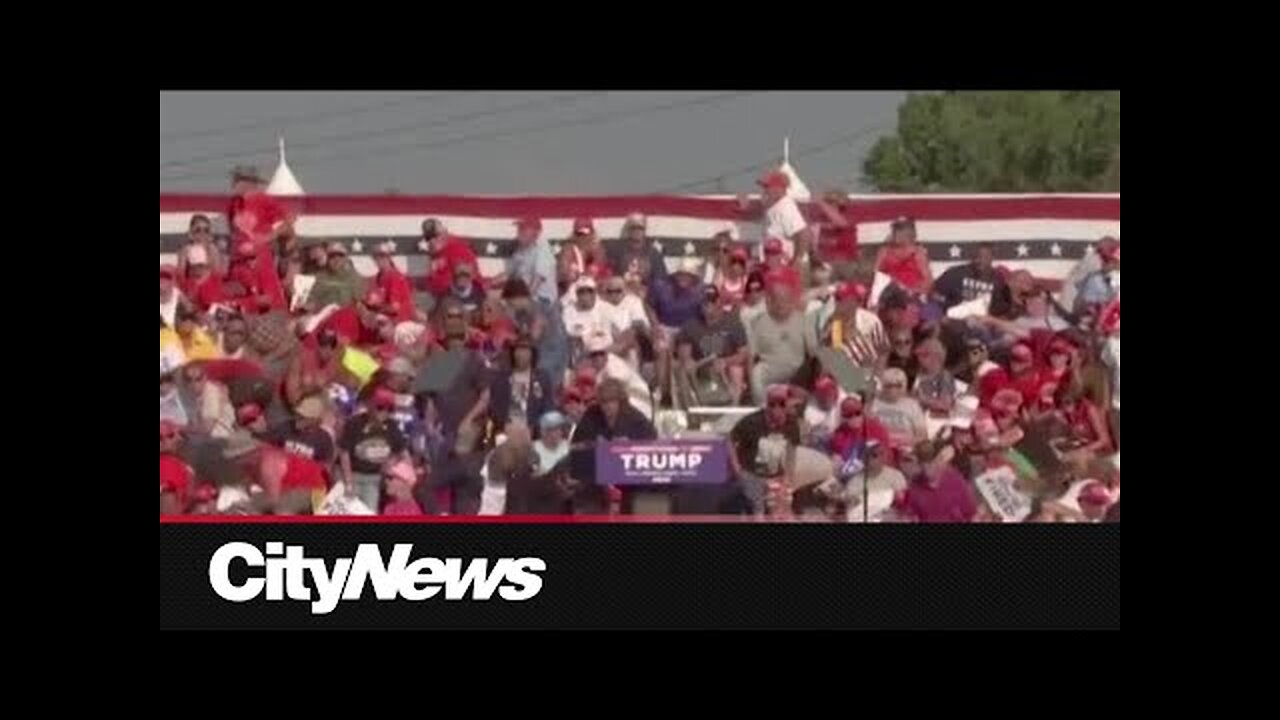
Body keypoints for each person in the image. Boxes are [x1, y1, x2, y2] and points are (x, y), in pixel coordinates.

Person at [568, 378, 659, 513]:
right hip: (596, 476)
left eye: (612, 401)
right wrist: (595, 445)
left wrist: (629, 446)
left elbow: (652, 445)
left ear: (621, 401)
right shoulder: (591, 414)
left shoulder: (635, 418)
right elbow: (576, 446)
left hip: (629, 479)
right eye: (604, 402)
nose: (607, 406)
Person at [729, 385, 802, 516]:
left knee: (781, 507)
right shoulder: (751, 422)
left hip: (775, 474)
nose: (778, 412)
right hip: (751, 473)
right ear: (769, 407)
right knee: (758, 508)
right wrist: (736, 467)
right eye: (773, 406)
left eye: (782, 406)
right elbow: (730, 440)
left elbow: (792, 452)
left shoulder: (792, 424)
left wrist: (788, 477)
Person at [339, 387, 409, 512]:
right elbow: (344, 453)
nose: (384, 413)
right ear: (371, 406)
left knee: (369, 511)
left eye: (389, 409)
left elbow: (402, 452)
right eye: (380, 408)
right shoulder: (354, 424)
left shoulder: (392, 427)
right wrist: (348, 483)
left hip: (374, 479)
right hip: (353, 475)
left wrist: (395, 465)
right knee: (347, 512)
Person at [676, 285, 750, 401]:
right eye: (705, 303)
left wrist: (726, 361)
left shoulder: (732, 321)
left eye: (712, 302)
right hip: (701, 365)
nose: (708, 306)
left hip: (724, 366)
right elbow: (684, 351)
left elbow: (744, 353)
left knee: (736, 370)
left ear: (719, 302)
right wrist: (687, 360)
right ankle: (690, 411)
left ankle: (733, 411)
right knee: (684, 368)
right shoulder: (691, 324)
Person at [747, 284, 818, 403]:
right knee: (756, 373)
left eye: (785, 300)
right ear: (770, 302)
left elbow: (813, 353)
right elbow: (751, 355)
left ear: (792, 302)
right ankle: (761, 407)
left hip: (797, 371)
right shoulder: (759, 322)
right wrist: (750, 379)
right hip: (770, 369)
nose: (780, 304)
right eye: (777, 299)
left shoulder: (804, 321)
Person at [503, 278, 568, 394]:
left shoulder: (539, 310)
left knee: (523, 366)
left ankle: (526, 405)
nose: (510, 306)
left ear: (518, 297)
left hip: (552, 355)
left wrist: (514, 337)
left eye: (510, 302)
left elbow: (533, 337)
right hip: (538, 353)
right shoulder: (521, 314)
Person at [737, 170, 814, 263]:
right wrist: (746, 208)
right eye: (763, 187)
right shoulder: (774, 206)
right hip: (777, 263)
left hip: (785, 264)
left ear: (779, 189)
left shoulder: (786, 207)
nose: (763, 191)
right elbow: (759, 216)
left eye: (767, 187)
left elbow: (803, 234)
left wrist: (797, 260)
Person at [897, 440, 978, 523]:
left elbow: (971, 514)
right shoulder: (913, 489)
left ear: (939, 460)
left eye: (930, 463)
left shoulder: (956, 480)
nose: (927, 469)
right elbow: (907, 516)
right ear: (919, 464)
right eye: (923, 464)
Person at [489, 334, 555, 432]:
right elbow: (494, 406)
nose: (521, 354)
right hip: (505, 431)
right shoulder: (502, 377)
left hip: (531, 432)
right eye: (518, 350)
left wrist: (534, 426)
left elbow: (547, 407)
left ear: (532, 353)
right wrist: (503, 425)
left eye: (525, 350)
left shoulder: (542, 378)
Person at [580, 332, 653, 419]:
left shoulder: (614, 369)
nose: (598, 358)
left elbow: (613, 396)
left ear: (606, 354)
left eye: (601, 353)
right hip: (628, 403)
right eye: (594, 355)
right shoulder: (599, 370)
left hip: (640, 403)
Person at [837, 440, 907, 523]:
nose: (882, 457)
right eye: (875, 455)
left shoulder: (895, 476)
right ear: (864, 458)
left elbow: (903, 503)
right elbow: (851, 508)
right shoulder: (855, 481)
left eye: (883, 453)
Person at [263, 394, 335, 464]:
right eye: (298, 413)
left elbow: (324, 467)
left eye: (303, 416)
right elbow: (267, 448)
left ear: (315, 420)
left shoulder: (324, 440)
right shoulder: (285, 427)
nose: (298, 417)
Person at [933, 242, 1006, 310]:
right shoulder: (956, 273)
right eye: (976, 256)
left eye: (985, 257)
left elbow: (1001, 307)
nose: (979, 260)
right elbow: (933, 293)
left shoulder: (998, 279)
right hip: (956, 318)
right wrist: (949, 304)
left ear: (992, 258)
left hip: (984, 320)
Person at [870, 367, 928, 451]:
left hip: (906, 449)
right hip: (879, 449)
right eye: (889, 385)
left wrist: (903, 442)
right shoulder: (873, 404)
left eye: (898, 385)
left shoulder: (912, 405)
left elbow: (922, 436)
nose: (893, 389)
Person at [875, 217, 932, 298]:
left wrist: (913, 291)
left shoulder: (918, 253)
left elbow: (928, 282)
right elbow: (875, 275)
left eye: (899, 230)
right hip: (889, 296)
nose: (894, 234)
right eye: (895, 230)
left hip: (913, 296)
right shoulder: (885, 251)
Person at [606, 213, 669, 287]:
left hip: (647, 294)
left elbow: (661, 278)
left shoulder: (654, 253)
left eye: (640, 227)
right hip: (621, 293)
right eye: (633, 227)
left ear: (644, 230)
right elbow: (609, 275)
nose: (636, 230)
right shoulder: (617, 250)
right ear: (628, 229)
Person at [422, 219, 479, 299]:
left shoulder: (457, 248)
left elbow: (465, 281)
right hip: (437, 297)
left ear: (445, 233)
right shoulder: (436, 252)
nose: (431, 240)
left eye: (435, 235)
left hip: (456, 299)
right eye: (428, 238)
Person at [507, 217, 558, 306]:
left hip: (543, 300)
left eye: (523, 229)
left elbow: (537, 281)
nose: (519, 232)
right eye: (519, 228)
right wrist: (489, 283)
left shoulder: (543, 249)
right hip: (528, 294)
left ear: (536, 232)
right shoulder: (523, 248)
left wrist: (521, 301)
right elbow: (511, 274)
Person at [180, 361, 236, 440]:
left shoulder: (211, 392)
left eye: (198, 379)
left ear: (205, 377)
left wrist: (180, 428)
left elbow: (207, 428)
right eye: (188, 379)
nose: (193, 383)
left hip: (221, 438)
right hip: (210, 439)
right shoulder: (194, 395)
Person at [561, 277, 616, 355]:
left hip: (606, 352)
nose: (586, 294)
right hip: (579, 353)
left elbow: (618, 331)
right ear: (577, 294)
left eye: (590, 291)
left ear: (595, 293)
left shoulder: (605, 308)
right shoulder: (568, 311)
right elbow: (566, 335)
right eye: (581, 292)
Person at [811, 190, 859, 273]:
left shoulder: (848, 215)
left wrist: (821, 202)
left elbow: (841, 223)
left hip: (844, 263)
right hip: (824, 262)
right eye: (828, 202)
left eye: (830, 202)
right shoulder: (821, 218)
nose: (828, 206)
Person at [559, 217, 609, 289]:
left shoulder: (598, 249)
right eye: (579, 233)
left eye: (585, 233)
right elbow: (564, 272)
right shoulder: (568, 249)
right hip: (573, 289)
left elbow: (601, 271)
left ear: (592, 232)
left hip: (595, 289)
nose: (582, 237)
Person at [372, 241, 416, 322]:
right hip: (388, 318)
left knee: (375, 320)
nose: (380, 259)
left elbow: (394, 308)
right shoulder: (379, 277)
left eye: (383, 256)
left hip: (401, 320)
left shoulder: (395, 276)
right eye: (377, 256)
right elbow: (373, 299)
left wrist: (377, 308)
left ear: (389, 257)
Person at [160, 421, 196, 515]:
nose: (165, 441)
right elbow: (168, 513)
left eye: (170, 435)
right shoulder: (167, 464)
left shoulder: (180, 464)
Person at [913, 338, 956, 417]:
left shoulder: (944, 377)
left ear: (936, 356)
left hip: (934, 420)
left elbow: (946, 404)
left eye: (924, 355)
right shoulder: (918, 373)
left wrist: (923, 400)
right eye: (918, 355)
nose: (919, 359)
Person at [179, 246, 225, 312]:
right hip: (196, 316)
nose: (197, 270)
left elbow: (215, 259)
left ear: (207, 267)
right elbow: (181, 270)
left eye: (200, 266)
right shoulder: (188, 283)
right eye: (194, 267)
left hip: (215, 313)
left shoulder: (215, 279)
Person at [532, 410, 571, 476]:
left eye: (560, 429)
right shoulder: (533, 449)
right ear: (543, 432)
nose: (559, 433)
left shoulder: (567, 447)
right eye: (554, 430)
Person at [160, 265, 186, 329]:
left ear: (171, 281)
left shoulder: (177, 293)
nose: (162, 281)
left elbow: (190, 309)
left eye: (166, 278)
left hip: (173, 331)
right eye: (161, 277)